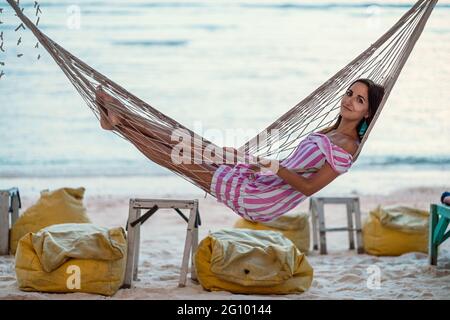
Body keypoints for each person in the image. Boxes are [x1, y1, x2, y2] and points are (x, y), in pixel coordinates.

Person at [96, 78, 384, 222]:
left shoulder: (347, 148)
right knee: (188, 143)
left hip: (262, 198)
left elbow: (308, 188)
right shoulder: (331, 131)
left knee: (181, 159)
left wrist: (270, 166)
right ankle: (122, 120)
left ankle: (122, 124)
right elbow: (294, 165)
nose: (349, 101)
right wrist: (257, 163)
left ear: (368, 112)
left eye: (359, 100)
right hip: (262, 177)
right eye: (349, 93)